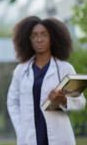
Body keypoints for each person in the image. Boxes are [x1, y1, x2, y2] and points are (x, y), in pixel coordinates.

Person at [7, 16, 86, 145]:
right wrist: (21, 128)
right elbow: (12, 102)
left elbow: (81, 102)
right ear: (28, 40)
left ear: (52, 38)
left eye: (44, 35)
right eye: (34, 36)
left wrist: (64, 100)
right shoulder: (21, 70)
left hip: (59, 137)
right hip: (29, 137)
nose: (39, 39)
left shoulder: (64, 68)